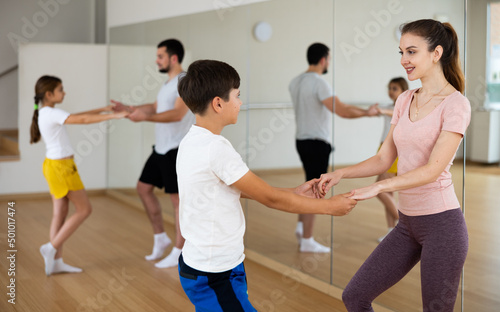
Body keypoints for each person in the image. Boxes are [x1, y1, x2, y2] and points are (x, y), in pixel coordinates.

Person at [176, 59, 357, 311]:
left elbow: (234, 190)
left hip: (206, 264)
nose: (240, 103)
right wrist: (330, 207)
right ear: (218, 103)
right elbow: (270, 199)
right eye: (237, 96)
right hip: (214, 272)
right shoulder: (215, 149)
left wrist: (293, 192)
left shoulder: (192, 141)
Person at [317, 19, 470, 311]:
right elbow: (384, 158)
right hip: (407, 224)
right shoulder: (404, 99)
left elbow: (432, 170)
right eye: (400, 52)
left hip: (442, 226)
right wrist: (341, 173)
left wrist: (379, 186)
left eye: (411, 52)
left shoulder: (456, 104)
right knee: (355, 296)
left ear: (436, 53)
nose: (403, 60)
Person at [30, 75, 128, 276]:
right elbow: (81, 120)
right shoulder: (50, 113)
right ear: (49, 94)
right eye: (60, 89)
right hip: (62, 168)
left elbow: (76, 115)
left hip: (53, 166)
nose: (64, 92)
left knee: (60, 212)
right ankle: (51, 247)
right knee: (84, 209)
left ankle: (55, 262)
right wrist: (113, 116)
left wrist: (103, 109)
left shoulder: (46, 112)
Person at [111, 39, 195, 268]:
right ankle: (161, 238)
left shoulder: (185, 81)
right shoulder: (168, 83)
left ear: (173, 58)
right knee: (143, 188)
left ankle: (180, 250)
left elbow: (177, 114)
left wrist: (143, 117)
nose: (156, 60)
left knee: (177, 201)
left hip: (176, 150)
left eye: (160, 56)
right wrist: (129, 109)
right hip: (161, 149)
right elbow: (158, 107)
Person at [289, 42, 380, 253]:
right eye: (328, 59)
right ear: (323, 60)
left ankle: (302, 228)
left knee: (307, 183)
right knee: (314, 189)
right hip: (316, 144)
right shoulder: (319, 83)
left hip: (301, 141)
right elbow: (343, 110)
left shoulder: (295, 82)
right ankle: (307, 240)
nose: (328, 62)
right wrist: (367, 113)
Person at [375, 77, 408, 243]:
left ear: (403, 89)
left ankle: (406, 226)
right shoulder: (388, 106)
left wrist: (381, 111)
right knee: (388, 192)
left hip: (393, 150)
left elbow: (397, 115)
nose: (391, 91)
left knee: (380, 189)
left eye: (394, 88)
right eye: (390, 88)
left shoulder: (404, 106)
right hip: (383, 148)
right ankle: (391, 231)